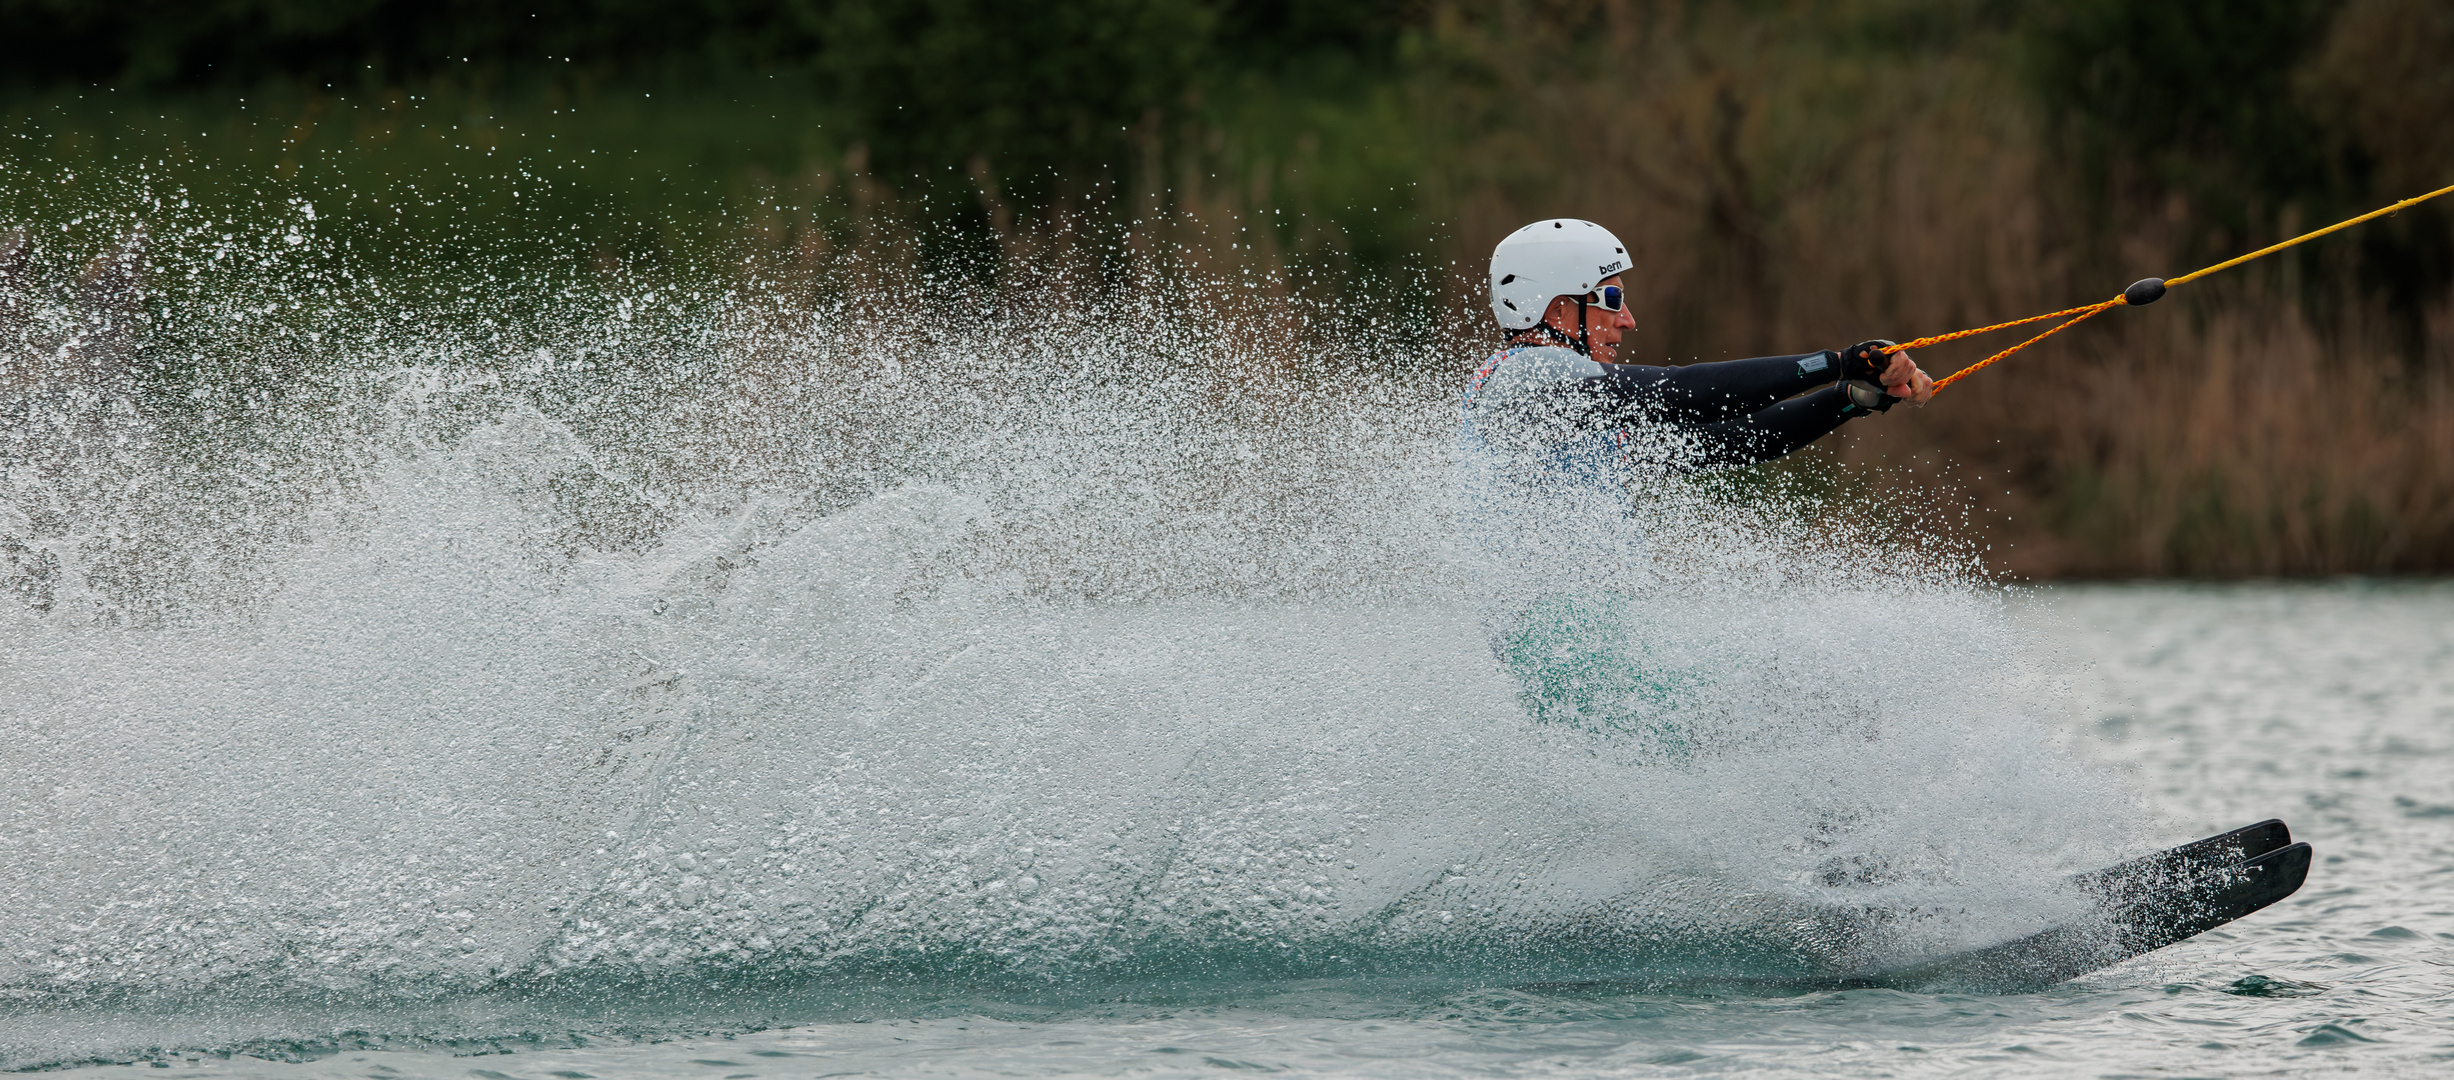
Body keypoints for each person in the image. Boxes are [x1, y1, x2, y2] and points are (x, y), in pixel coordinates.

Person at [1458, 218, 1934, 745]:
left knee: (1825, 719)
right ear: (1557, 309)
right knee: (1825, 715)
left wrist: (1849, 397)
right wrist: (1836, 363)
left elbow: (1729, 442)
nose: (1629, 320)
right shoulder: (1523, 377)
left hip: (1597, 652)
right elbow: (1681, 392)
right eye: (1612, 299)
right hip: (1574, 651)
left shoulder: (1575, 407)